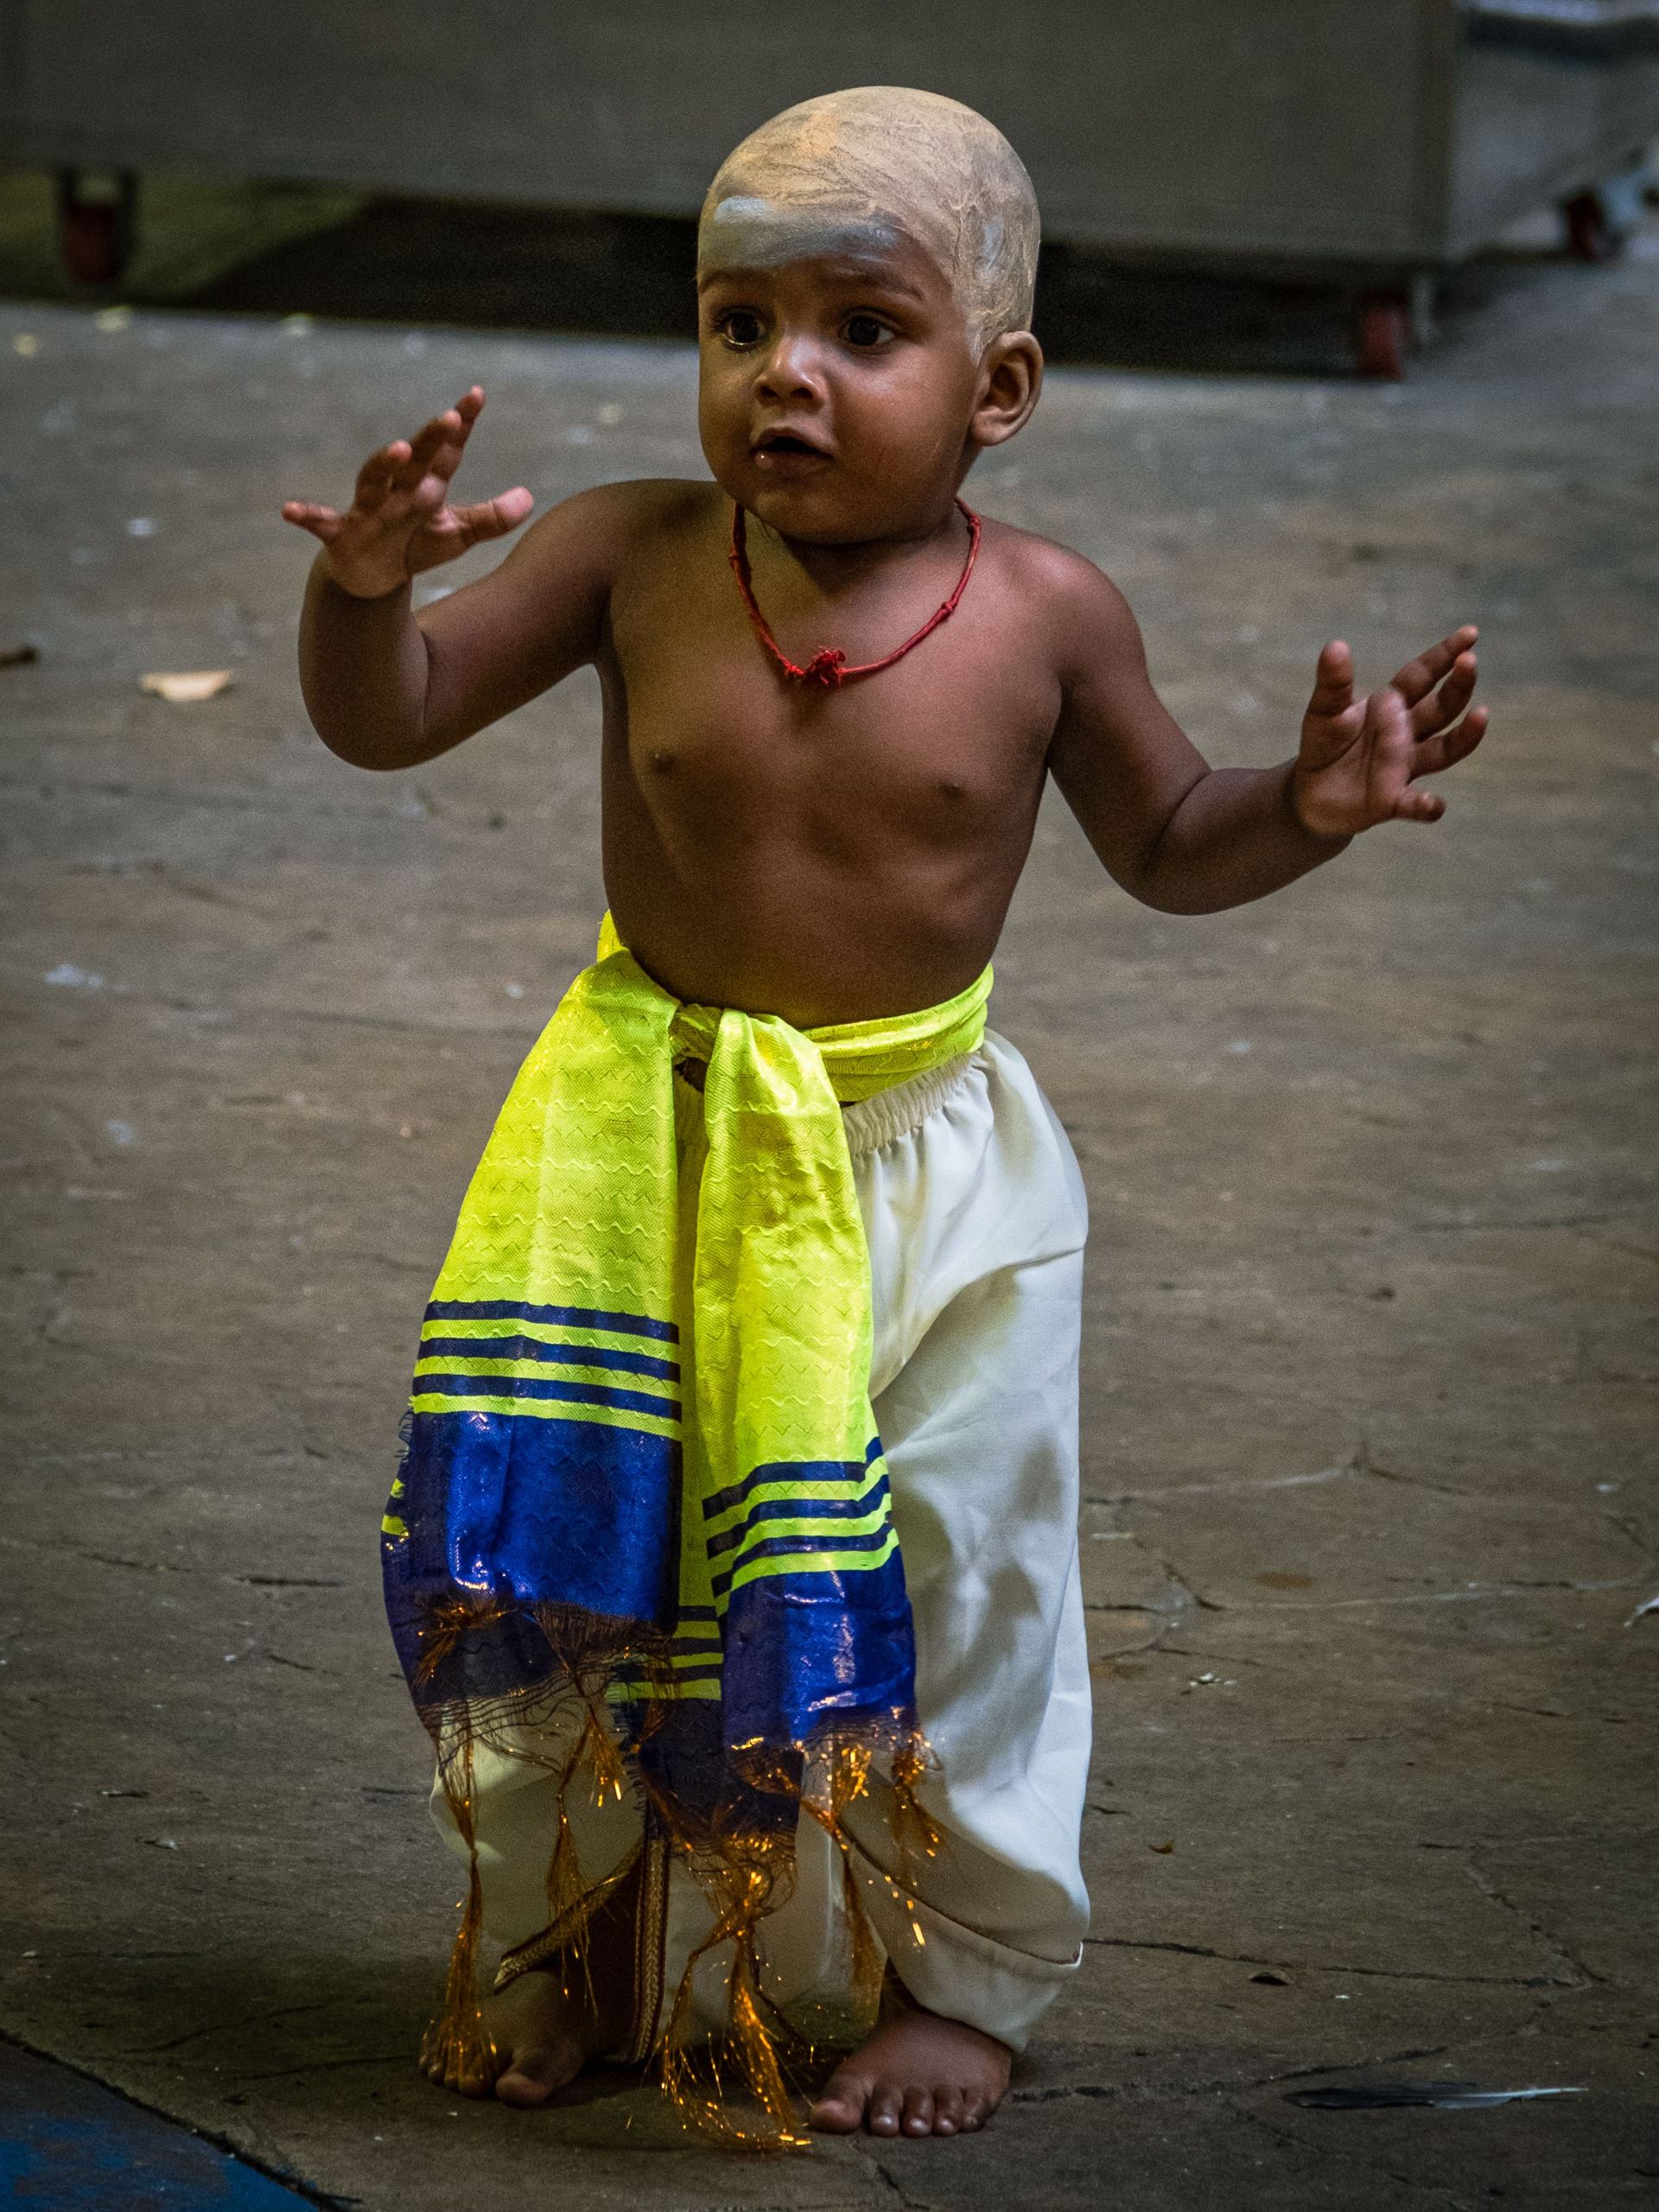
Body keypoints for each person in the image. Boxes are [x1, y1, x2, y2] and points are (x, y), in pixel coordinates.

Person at [282, 86, 1487, 2145]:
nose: (787, 379)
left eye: (863, 328)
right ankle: (570, 1928)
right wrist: (365, 596)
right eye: (740, 324)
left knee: (969, 1568)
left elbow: (1169, 838)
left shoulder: (1044, 618)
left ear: (1001, 382)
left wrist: (1301, 808)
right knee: (605, 1566)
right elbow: (386, 719)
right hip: (652, 1149)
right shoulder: (631, 556)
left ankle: (962, 1976)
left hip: (935, 1172)